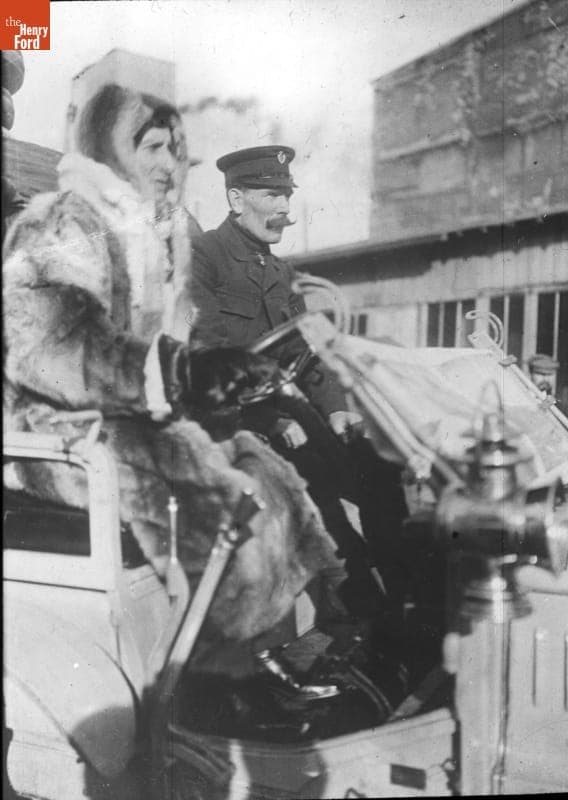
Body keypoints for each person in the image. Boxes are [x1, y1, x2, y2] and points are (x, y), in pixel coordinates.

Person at [3, 87, 347, 679]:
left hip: (117, 422)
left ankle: (246, 660)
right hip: (50, 434)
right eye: (153, 146)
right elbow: (54, 345)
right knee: (220, 491)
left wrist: (212, 373)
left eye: (175, 148)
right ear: (108, 149)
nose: (168, 164)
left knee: (261, 470)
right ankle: (205, 684)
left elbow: (184, 336)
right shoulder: (63, 222)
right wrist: (177, 374)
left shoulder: (150, 236)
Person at [190, 146, 409, 621]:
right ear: (236, 198)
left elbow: (304, 353)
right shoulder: (203, 257)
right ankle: (367, 614)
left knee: (381, 467)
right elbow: (206, 357)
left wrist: (335, 407)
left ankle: (404, 598)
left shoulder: (280, 271)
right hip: (231, 423)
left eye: (287, 196)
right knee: (322, 505)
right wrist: (269, 416)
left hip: (289, 416)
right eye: (273, 195)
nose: (286, 210)